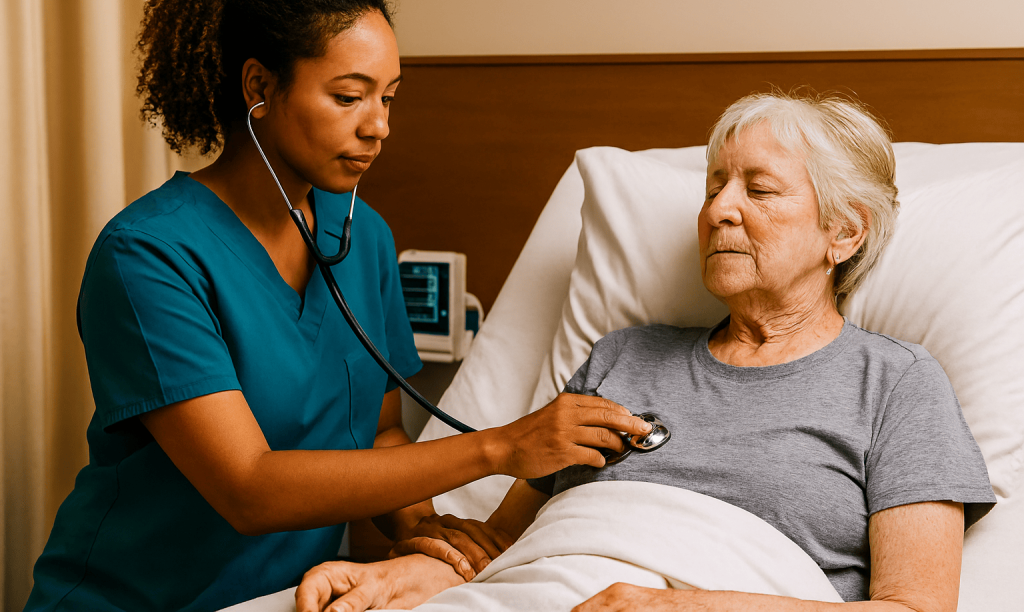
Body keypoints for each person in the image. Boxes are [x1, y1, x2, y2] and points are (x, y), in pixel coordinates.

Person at [24, 0, 654, 612]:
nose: (379, 126)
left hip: (286, 598)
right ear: (260, 87)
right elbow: (248, 488)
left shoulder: (364, 236)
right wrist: (501, 446)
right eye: (349, 97)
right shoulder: (149, 255)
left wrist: (423, 530)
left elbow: (378, 435)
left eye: (388, 98)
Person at [294, 92, 997, 612]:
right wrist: (395, 580)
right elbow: (503, 548)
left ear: (843, 233)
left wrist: (681, 607)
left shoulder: (896, 384)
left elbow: (914, 609)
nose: (719, 209)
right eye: (714, 186)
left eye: (758, 189)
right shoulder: (622, 358)